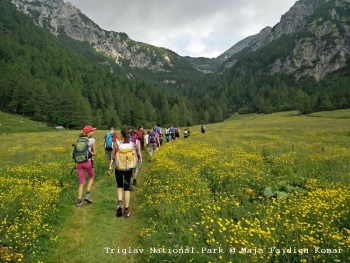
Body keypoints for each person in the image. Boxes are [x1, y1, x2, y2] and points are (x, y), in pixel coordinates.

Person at [109, 128, 134, 218]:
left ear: (121, 135)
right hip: (128, 168)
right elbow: (134, 156)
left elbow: (113, 156)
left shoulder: (117, 143)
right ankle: (126, 210)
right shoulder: (132, 144)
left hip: (119, 168)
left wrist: (110, 166)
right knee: (127, 188)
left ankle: (120, 203)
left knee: (119, 186)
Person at [76, 125, 97, 208]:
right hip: (88, 162)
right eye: (92, 131)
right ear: (88, 133)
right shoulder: (91, 140)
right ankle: (87, 194)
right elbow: (94, 153)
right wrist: (91, 153)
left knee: (81, 183)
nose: (93, 132)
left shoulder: (79, 140)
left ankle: (79, 202)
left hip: (79, 163)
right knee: (91, 177)